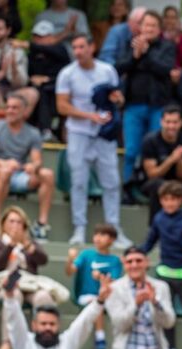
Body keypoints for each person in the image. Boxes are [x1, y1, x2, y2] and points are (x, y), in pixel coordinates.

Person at [55, 33, 131, 248]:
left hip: (104, 134)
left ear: (92, 47)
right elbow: (62, 106)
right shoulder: (67, 73)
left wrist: (117, 100)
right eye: (75, 48)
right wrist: (89, 116)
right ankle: (79, 229)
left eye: (81, 47)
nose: (78, 52)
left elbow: (117, 99)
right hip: (78, 133)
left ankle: (113, 229)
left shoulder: (107, 70)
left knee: (111, 182)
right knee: (79, 181)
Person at [139, 180, 182, 349]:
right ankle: (170, 348)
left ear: (180, 200)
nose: (169, 203)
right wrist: (138, 252)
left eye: (173, 199)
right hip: (165, 272)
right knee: (166, 311)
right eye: (166, 199)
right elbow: (150, 241)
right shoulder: (159, 219)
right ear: (161, 201)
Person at [0, 93, 54, 240]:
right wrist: (4, 163)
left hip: (20, 174)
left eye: (14, 108)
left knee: (47, 174)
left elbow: (37, 160)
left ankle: (41, 224)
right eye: (8, 107)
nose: (10, 111)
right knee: (5, 171)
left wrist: (33, 166)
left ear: (25, 111)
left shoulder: (33, 133)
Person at [117, 10, 176, 184]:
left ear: (159, 29)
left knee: (153, 151)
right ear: (140, 27)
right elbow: (120, 67)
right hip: (133, 106)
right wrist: (135, 55)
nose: (149, 29)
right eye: (146, 25)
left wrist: (146, 52)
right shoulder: (130, 44)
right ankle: (128, 187)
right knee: (131, 150)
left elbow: (164, 69)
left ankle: (152, 188)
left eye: (153, 25)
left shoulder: (167, 47)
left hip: (158, 106)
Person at [0, 206, 55, 349]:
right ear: (3, 224)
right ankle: (7, 342)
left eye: (19, 222)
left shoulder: (29, 243)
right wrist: (11, 245)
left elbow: (43, 260)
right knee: (13, 294)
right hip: (4, 284)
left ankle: (43, 341)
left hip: (29, 285)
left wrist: (29, 247)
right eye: (12, 221)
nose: (15, 226)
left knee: (44, 297)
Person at [66, 224, 123, 349]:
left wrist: (101, 278)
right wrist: (70, 259)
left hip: (109, 298)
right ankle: (100, 337)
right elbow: (70, 272)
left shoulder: (115, 260)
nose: (98, 238)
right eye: (96, 234)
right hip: (87, 297)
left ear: (112, 239)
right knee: (97, 301)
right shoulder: (86, 254)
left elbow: (113, 283)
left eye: (102, 235)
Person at [25, 20, 71, 143]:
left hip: (59, 87)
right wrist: (33, 78)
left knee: (44, 91)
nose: (38, 40)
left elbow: (65, 74)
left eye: (42, 37)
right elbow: (28, 73)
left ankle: (46, 130)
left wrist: (48, 79)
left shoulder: (61, 49)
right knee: (37, 91)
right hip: (39, 89)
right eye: (36, 36)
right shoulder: (32, 54)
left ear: (52, 37)